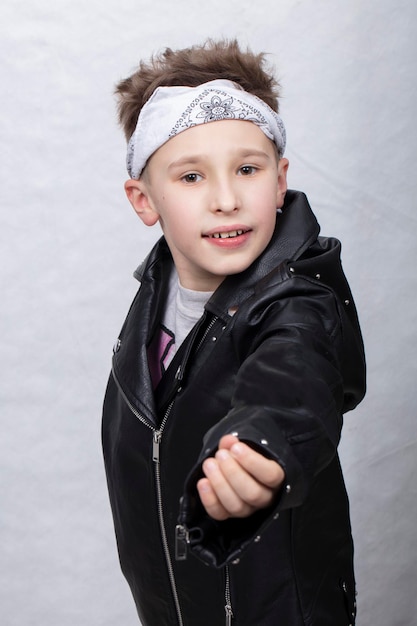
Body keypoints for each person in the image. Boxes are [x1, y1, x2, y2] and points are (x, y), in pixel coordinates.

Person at [102, 39, 366, 626]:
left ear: (280, 181)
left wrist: (263, 445)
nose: (226, 200)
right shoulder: (157, 289)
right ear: (145, 201)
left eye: (247, 169)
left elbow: (293, 376)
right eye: (192, 176)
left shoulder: (298, 301)